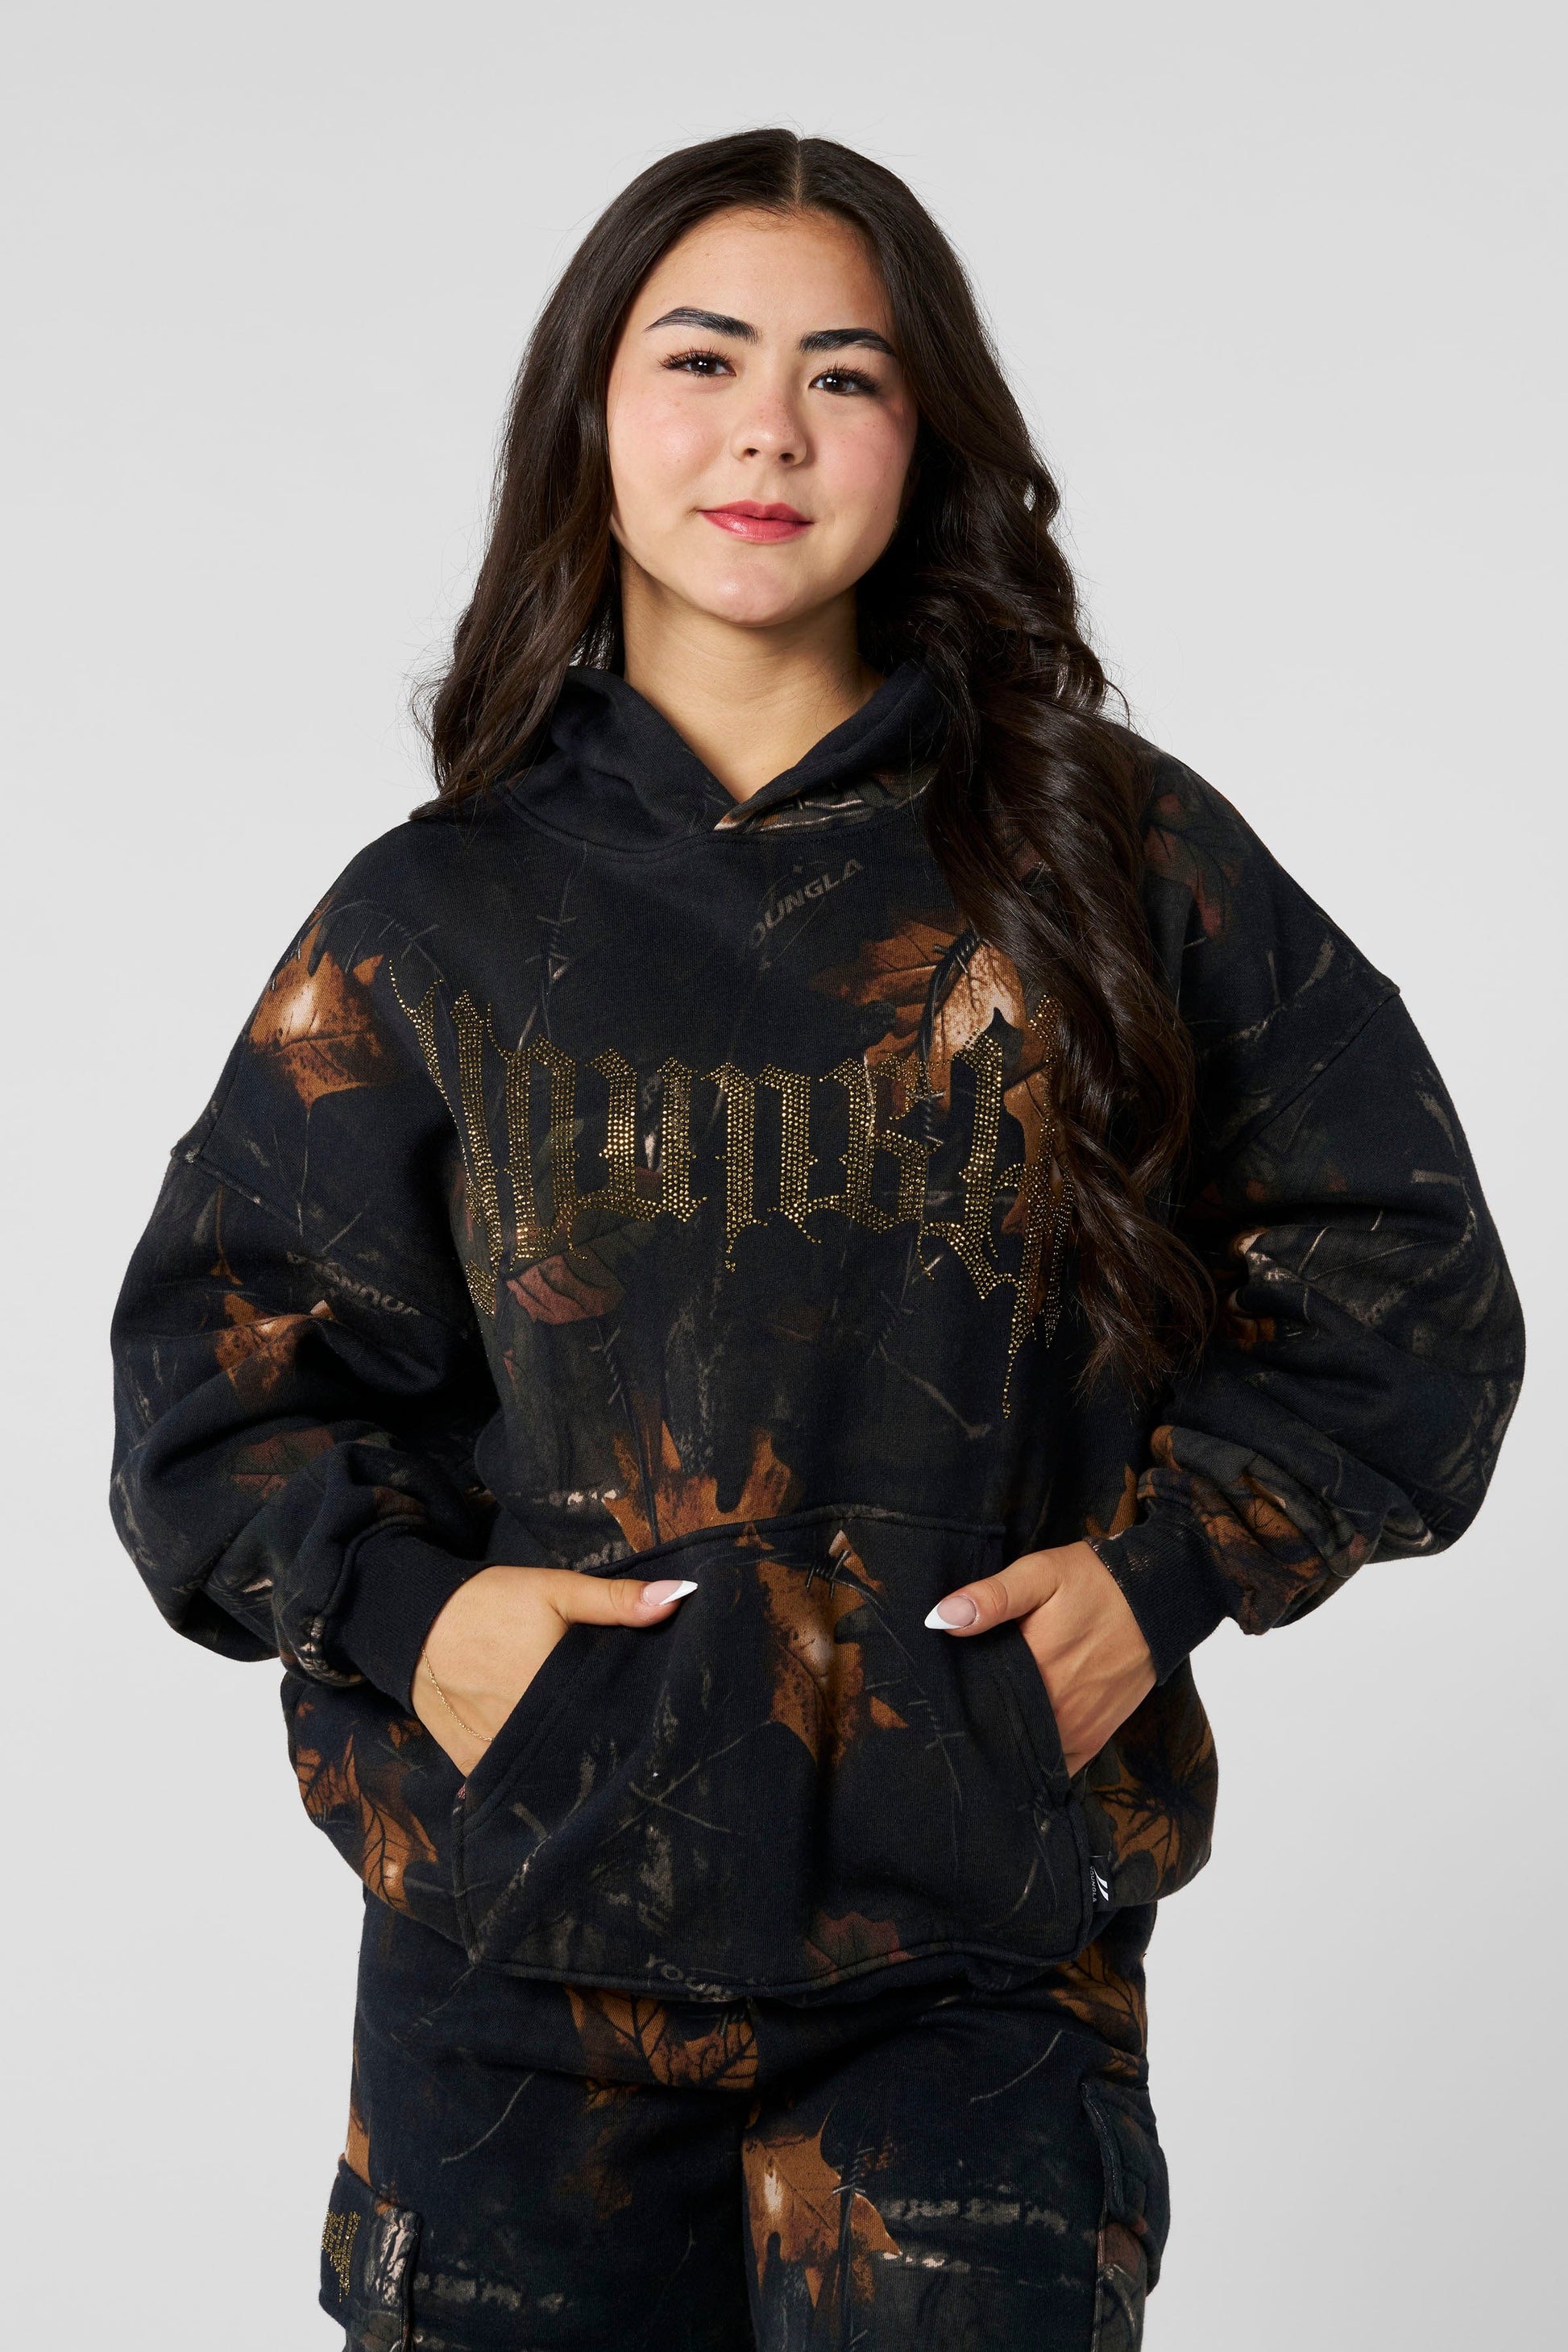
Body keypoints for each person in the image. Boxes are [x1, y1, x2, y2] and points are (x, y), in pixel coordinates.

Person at [107, 127, 1524, 2351]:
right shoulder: (437, 918)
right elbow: (214, 1384)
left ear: (924, 436)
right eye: (702, 359)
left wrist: (1165, 1578)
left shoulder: (1109, 861)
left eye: (843, 373)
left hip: (977, 1995)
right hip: (518, 1991)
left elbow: (1402, 1285)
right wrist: (412, 1615)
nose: (767, 428)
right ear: (590, 417)